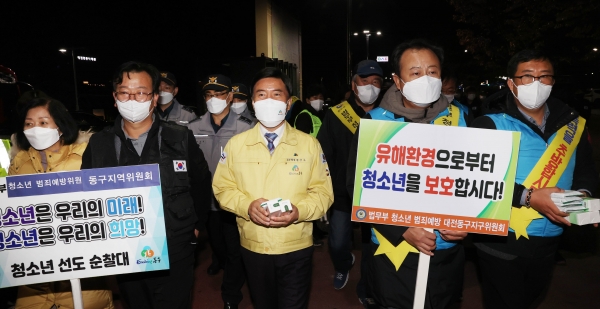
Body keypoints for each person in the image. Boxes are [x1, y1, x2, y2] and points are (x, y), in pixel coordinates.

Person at [471, 49, 598, 309]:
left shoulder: (573, 124)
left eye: (544, 77)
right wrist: (528, 197)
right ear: (511, 83)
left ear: (553, 82)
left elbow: (586, 169)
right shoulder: (489, 124)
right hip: (501, 241)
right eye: (527, 77)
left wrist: (583, 196)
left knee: (531, 298)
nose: (537, 84)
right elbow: (474, 182)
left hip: (551, 239)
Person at [347, 39, 469, 309]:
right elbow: (355, 186)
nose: (425, 79)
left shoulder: (458, 119)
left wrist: (467, 222)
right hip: (394, 251)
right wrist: (401, 229)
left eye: (432, 72)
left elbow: (471, 182)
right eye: (415, 73)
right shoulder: (374, 123)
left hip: (445, 252)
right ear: (398, 80)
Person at [80, 61, 212, 308]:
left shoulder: (179, 136)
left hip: (175, 244)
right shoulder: (100, 143)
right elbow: (88, 194)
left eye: (141, 92)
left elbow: (201, 183)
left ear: (154, 99)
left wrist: (197, 226)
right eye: (124, 92)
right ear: (114, 97)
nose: (132, 99)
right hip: (126, 247)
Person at [212, 67, 334, 309]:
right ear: (252, 103)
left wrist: (299, 211)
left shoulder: (309, 144)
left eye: (276, 94)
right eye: (261, 95)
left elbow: (323, 192)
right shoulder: (236, 145)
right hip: (253, 244)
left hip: (296, 245)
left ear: (288, 103)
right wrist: (247, 206)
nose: (268, 100)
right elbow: (222, 188)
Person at [9, 98, 113, 309]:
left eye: (43, 122)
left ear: (61, 126)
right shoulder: (19, 164)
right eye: (29, 123)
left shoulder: (85, 157)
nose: (35, 129)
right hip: (34, 277)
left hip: (83, 276)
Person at [317, 59, 383, 307]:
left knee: (372, 245)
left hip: (377, 193)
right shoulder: (336, 114)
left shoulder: (389, 114)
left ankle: (367, 284)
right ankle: (343, 265)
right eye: (364, 81)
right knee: (337, 241)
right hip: (342, 195)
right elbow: (324, 153)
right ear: (354, 85)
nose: (370, 86)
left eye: (376, 82)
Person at [187, 74, 256, 309]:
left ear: (229, 96)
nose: (213, 99)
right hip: (207, 202)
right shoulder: (193, 128)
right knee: (218, 245)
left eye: (218, 94)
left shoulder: (246, 129)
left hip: (234, 200)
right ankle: (230, 269)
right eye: (208, 95)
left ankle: (231, 295)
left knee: (234, 247)